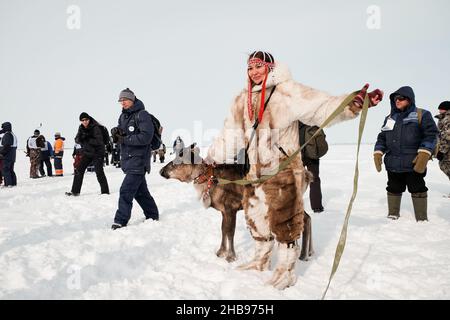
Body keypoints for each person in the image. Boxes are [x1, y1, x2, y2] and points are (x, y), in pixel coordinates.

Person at [206, 51, 383, 290]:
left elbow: (322, 108)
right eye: (250, 68)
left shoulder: (287, 91)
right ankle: (260, 260)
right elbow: (230, 135)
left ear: (270, 68)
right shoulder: (241, 100)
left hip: (283, 169)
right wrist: (210, 159)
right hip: (255, 173)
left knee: (284, 222)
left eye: (260, 67)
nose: (254, 72)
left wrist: (352, 103)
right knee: (256, 219)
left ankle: (286, 270)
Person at [374, 86, 438, 221]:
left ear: (409, 99)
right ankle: (393, 213)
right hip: (393, 162)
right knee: (393, 187)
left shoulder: (422, 114)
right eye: (395, 98)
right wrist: (378, 151)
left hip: (414, 162)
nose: (397, 101)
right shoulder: (390, 118)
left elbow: (431, 134)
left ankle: (421, 217)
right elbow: (382, 137)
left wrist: (425, 153)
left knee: (418, 188)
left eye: (401, 98)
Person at [111, 88, 159, 229]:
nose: (122, 103)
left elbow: (146, 137)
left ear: (132, 99)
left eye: (125, 100)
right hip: (128, 159)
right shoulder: (123, 117)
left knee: (126, 190)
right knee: (140, 192)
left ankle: (120, 220)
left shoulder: (142, 115)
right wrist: (117, 133)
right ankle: (152, 214)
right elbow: (123, 135)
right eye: (120, 101)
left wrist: (124, 139)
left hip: (139, 160)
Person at [65, 112, 110, 196]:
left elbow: (99, 141)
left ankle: (105, 191)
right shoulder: (81, 128)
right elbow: (77, 139)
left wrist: (87, 138)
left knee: (99, 172)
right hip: (88, 153)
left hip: (98, 153)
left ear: (89, 119)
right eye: (82, 120)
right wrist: (80, 138)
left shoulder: (95, 127)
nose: (85, 122)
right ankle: (75, 191)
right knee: (79, 170)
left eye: (86, 120)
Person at [435, 101, 450, 189]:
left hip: (447, 152)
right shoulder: (443, 118)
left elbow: (447, 136)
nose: (440, 111)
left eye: (442, 109)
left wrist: (441, 151)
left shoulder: (448, 119)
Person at [0, 122, 18, 187]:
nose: (2, 129)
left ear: (6, 127)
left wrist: (2, 153)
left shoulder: (8, 135)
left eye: (3, 128)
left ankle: (8, 184)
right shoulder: (12, 134)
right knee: (10, 170)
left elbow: (7, 145)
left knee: (5, 169)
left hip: (7, 156)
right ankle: (13, 183)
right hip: (12, 155)